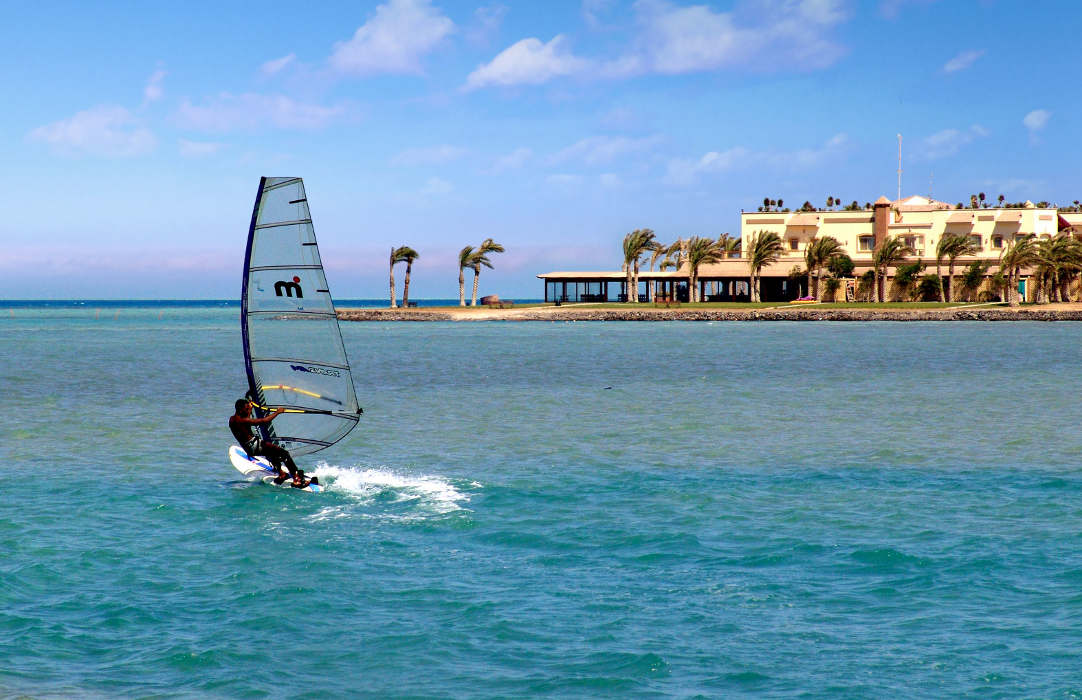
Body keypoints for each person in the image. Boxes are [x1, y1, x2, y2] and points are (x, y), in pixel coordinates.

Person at [229, 398, 298, 484]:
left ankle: (281, 474)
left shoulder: (232, 419)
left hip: (248, 448)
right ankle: (296, 479)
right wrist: (278, 412)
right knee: (284, 453)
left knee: (271, 452)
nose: (249, 410)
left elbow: (246, 418)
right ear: (240, 410)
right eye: (246, 409)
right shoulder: (244, 420)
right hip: (255, 446)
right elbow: (264, 421)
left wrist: (250, 408)